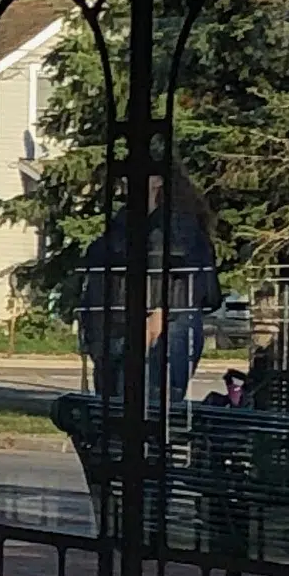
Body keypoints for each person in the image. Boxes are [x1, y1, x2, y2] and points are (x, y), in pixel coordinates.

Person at [77, 162, 222, 404]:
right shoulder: (122, 223)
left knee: (152, 403)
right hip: (114, 326)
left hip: (163, 325)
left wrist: (158, 316)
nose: (126, 181)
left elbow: (187, 276)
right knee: (113, 406)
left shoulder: (179, 226)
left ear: (158, 181)